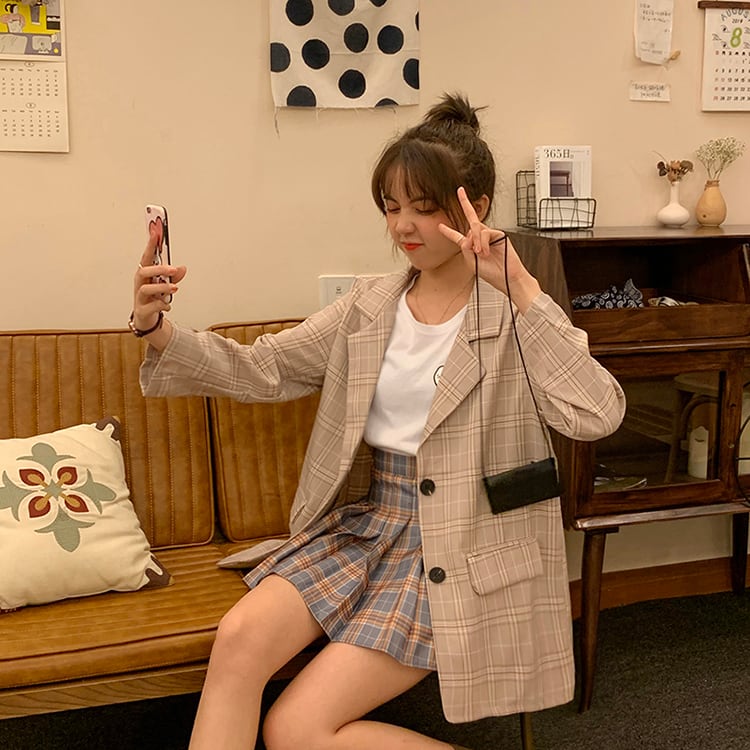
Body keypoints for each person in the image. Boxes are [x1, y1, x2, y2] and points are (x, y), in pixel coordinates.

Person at [131, 92, 626, 750]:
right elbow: (263, 368)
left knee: (294, 729)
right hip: (368, 525)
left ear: (474, 208)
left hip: (460, 542)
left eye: (423, 207)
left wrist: (522, 287)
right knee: (240, 639)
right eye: (392, 207)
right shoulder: (368, 305)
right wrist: (155, 328)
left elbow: (597, 412)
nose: (404, 226)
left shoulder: (514, 314)